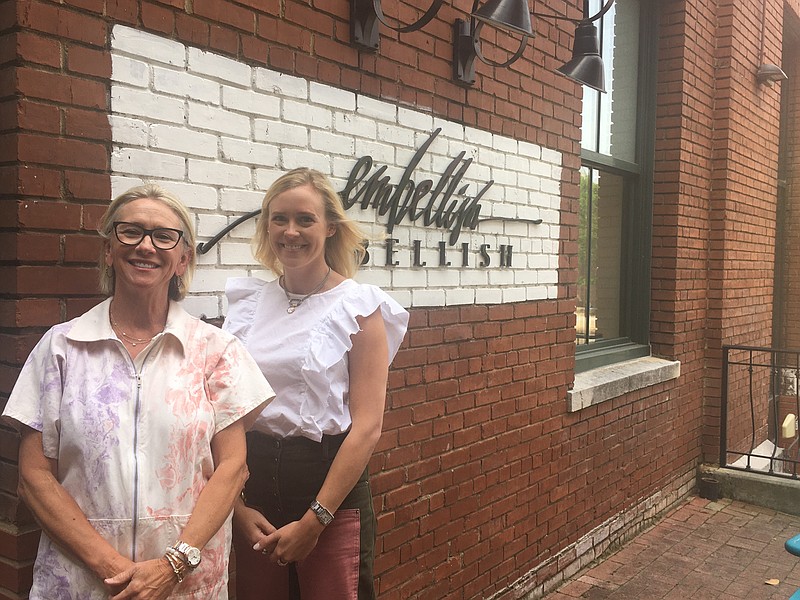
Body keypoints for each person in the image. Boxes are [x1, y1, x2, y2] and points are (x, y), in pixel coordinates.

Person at [3, 183, 274, 599]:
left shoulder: (216, 351)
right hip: (83, 583)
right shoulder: (61, 347)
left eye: (164, 236)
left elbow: (232, 467)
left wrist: (173, 565)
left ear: (183, 259)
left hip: (184, 585)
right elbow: (35, 476)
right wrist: (115, 570)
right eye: (130, 231)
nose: (146, 245)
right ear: (109, 249)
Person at [224, 167, 409, 600]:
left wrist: (315, 520)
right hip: (253, 488)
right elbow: (224, 412)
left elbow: (367, 427)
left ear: (329, 227)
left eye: (305, 219)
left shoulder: (358, 307)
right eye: (279, 218)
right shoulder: (248, 304)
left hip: (328, 488)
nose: (291, 232)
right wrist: (236, 508)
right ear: (266, 225)